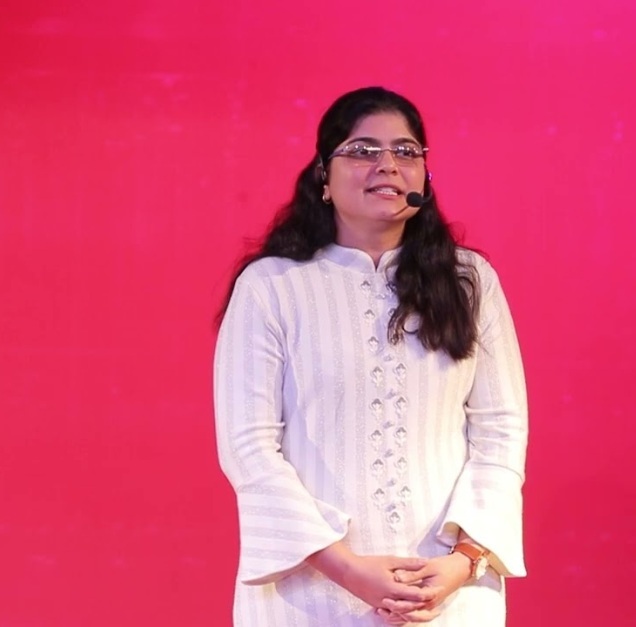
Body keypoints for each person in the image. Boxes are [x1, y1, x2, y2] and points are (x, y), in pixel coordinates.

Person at [213, 86, 529, 626]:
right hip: (311, 592)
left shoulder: (469, 281)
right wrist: (346, 568)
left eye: (406, 151)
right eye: (363, 150)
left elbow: (502, 430)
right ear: (323, 176)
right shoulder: (271, 286)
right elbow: (249, 448)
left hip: (448, 592)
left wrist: (464, 561)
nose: (388, 165)